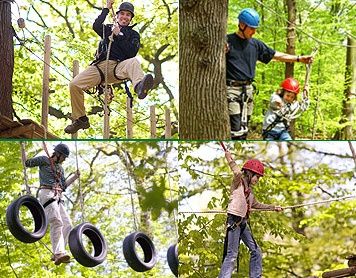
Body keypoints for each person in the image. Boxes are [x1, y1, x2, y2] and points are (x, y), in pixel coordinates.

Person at [64, 1, 154, 134]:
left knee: (134, 61)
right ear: (117, 15)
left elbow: (131, 52)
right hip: (99, 67)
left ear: (131, 19)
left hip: (118, 67)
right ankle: (81, 119)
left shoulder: (133, 35)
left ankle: (139, 87)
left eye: (128, 15)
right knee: (74, 85)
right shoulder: (108, 29)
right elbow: (96, 26)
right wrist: (106, 9)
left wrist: (120, 35)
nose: (124, 17)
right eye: (122, 13)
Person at [226, 8, 313, 140]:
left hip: (247, 91)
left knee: (244, 128)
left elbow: (276, 55)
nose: (254, 32)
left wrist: (299, 59)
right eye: (251, 28)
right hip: (232, 90)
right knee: (235, 128)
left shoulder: (255, 45)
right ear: (242, 25)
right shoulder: (227, 41)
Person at [218, 149, 283, 278]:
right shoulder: (238, 184)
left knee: (256, 251)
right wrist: (229, 159)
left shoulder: (251, 193)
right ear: (248, 173)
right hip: (234, 221)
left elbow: (258, 205)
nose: (258, 179)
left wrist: (273, 207)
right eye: (257, 176)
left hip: (243, 223)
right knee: (232, 255)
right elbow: (236, 172)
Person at [25, 143, 80, 265]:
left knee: (68, 225)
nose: (64, 160)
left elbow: (64, 186)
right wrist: (23, 150)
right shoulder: (44, 160)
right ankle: (59, 252)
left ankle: (59, 252)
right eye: (64, 157)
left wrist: (75, 177)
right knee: (56, 221)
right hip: (47, 193)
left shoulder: (60, 168)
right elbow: (27, 163)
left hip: (58, 196)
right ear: (58, 154)